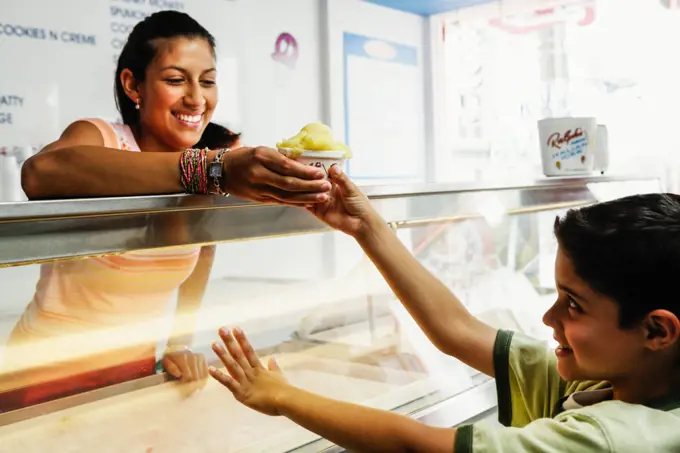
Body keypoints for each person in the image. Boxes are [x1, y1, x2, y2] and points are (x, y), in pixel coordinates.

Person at [209, 166, 680, 453]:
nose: (547, 318)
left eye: (573, 305)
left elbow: (414, 444)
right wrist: (366, 227)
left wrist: (281, 396)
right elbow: (456, 331)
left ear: (657, 331)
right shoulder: (614, 379)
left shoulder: (612, 438)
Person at [2, 10, 329, 411]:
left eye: (207, 81)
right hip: (42, 371)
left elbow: (203, 247)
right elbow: (39, 173)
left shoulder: (214, 161)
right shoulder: (102, 138)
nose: (196, 97)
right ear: (133, 84)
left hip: (134, 369)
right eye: (176, 80)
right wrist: (206, 169)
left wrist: (178, 342)